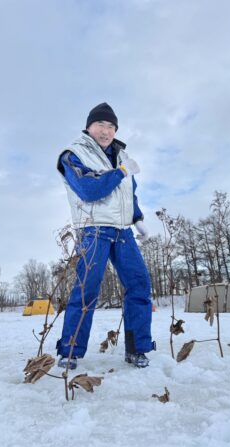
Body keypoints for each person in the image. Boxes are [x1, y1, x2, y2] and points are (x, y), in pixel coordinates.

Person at [56, 102, 155, 369]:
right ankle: (70, 352)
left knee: (140, 286)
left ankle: (137, 348)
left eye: (111, 126)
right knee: (86, 289)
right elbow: (89, 189)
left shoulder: (121, 156)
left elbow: (128, 195)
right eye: (100, 124)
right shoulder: (73, 154)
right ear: (89, 126)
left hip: (123, 231)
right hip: (94, 229)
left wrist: (138, 219)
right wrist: (121, 172)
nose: (106, 130)